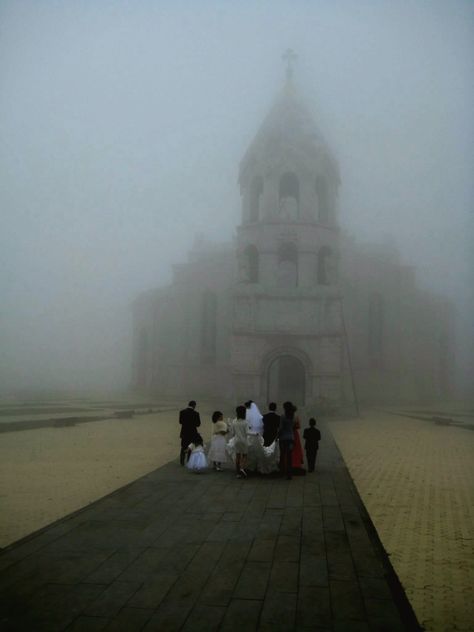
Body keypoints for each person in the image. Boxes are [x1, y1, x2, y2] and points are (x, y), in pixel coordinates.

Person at [179, 400, 201, 465]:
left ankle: (182, 461)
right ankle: (189, 461)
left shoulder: (182, 412)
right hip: (193, 433)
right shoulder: (196, 413)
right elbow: (198, 424)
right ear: (194, 405)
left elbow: (180, 422)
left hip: (184, 432)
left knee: (183, 446)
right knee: (191, 447)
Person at [231, 405, 249, 479]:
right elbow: (247, 432)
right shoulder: (245, 422)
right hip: (244, 441)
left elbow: (233, 433)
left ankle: (237, 473)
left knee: (237, 456)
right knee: (244, 455)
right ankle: (242, 468)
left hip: (236, 441)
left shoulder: (234, 421)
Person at [279, 401, 295, 480]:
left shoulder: (283, 416)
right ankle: (289, 474)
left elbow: (281, 428)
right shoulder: (293, 416)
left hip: (283, 438)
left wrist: (278, 434)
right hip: (291, 438)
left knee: (282, 455)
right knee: (289, 456)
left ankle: (282, 472)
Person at [291, 405, 305, 473]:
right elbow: (298, 426)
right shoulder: (296, 417)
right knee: (296, 448)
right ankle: (296, 463)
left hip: (289, 432)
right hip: (295, 434)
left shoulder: (285, 416)